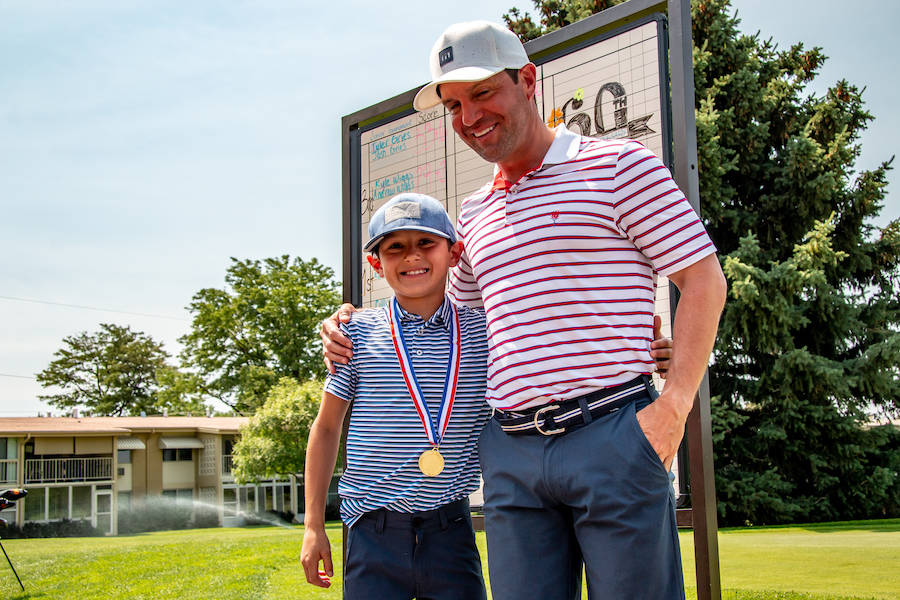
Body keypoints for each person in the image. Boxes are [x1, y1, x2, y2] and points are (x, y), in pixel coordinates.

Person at [322, 20, 727, 600]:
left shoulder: (620, 167)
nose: (468, 117)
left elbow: (704, 281)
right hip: (510, 454)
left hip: (613, 433)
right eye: (454, 104)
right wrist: (347, 324)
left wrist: (674, 406)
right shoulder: (474, 214)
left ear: (528, 80)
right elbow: (444, 320)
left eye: (483, 93)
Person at [300, 193, 491, 600]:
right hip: (374, 534)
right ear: (376, 263)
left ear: (454, 253)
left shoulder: (485, 334)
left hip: (451, 534)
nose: (412, 257)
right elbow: (328, 426)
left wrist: (654, 344)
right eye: (395, 248)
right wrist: (313, 524)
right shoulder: (354, 334)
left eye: (426, 243)